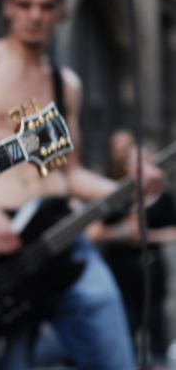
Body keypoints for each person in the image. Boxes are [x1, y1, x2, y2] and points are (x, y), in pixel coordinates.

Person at [0, 0, 162, 368]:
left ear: (60, 12)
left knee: (115, 353)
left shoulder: (67, 85)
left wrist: (132, 187)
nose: (35, 15)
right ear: (8, 8)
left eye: (46, 6)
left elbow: (71, 172)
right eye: (25, 4)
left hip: (62, 235)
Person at [87, 130, 176, 370]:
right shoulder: (115, 199)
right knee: (123, 335)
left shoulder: (163, 199)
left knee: (157, 336)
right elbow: (93, 233)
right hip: (121, 275)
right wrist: (122, 233)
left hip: (152, 275)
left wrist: (150, 236)